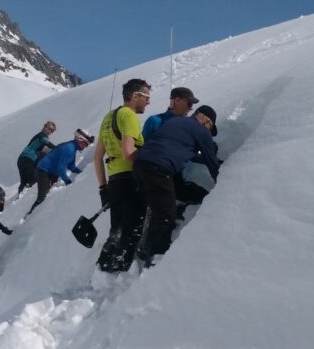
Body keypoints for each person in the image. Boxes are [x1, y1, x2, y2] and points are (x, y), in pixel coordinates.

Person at [133, 105, 221, 266]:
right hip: (159, 168)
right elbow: (212, 162)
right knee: (165, 215)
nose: (209, 131)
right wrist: (223, 183)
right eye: (210, 127)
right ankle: (155, 258)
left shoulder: (176, 122)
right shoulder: (201, 131)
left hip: (140, 164)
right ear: (206, 120)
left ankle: (145, 246)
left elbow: (181, 149)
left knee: (163, 203)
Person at [93, 78, 151, 272]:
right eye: (146, 97)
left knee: (116, 229)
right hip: (131, 180)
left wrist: (103, 189)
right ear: (136, 96)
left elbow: (97, 157)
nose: (148, 102)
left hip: (114, 182)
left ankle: (104, 268)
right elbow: (128, 152)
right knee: (132, 229)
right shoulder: (129, 116)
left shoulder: (109, 117)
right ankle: (119, 271)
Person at [26, 128, 94, 216]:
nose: (86, 146)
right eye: (86, 143)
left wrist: (83, 172)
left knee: (47, 196)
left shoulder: (72, 148)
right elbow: (61, 169)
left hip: (51, 172)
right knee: (42, 198)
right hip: (44, 171)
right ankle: (29, 218)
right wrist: (68, 181)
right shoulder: (69, 149)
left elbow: (71, 166)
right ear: (80, 139)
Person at [16, 121, 57, 197]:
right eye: (49, 129)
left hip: (21, 159)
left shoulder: (40, 137)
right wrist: (58, 149)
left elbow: (44, 150)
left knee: (23, 182)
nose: (50, 131)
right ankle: (23, 201)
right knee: (33, 179)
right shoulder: (42, 135)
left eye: (52, 131)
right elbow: (47, 143)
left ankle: (18, 200)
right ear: (45, 127)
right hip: (28, 159)